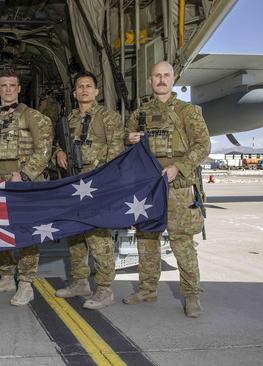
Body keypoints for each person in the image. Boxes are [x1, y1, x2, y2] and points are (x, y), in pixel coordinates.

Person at [123, 61, 210, 318]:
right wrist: (127, 140)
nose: (161, 80)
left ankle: (191, 294)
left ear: (173, 79)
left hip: (179, 189)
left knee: (182, 242)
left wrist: (179, 167)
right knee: (146, 241)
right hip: (148, 190)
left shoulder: (188, 111)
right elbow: (126, 149)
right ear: (150, 80)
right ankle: (147, 289)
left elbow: (203, 145)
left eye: (166, 75)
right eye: (156, 76)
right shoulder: (139, 115)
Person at [0, 69, 53, 306]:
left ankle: (25, 282)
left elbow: (44, 150)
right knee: (1, 230)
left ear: (19, 89)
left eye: (12, 85)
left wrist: (24, 174)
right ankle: (5, 277)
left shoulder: (33, 116)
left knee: (26, 233)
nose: (8, 89)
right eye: (4, 85)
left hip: (24, 184)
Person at [53, 71, 124, 309]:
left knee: (98, 238)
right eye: (80, 87)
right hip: (73, 185)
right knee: (74, 236)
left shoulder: (109, 118)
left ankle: (104, 289)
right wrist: (59, 153)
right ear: (74, 93)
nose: (84, 90)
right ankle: (80, 282)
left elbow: (115, 153)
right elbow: (58, 145)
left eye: (88, 86)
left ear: (96, 91)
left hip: (97, 186)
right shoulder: (68, 120)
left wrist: (105, 183)